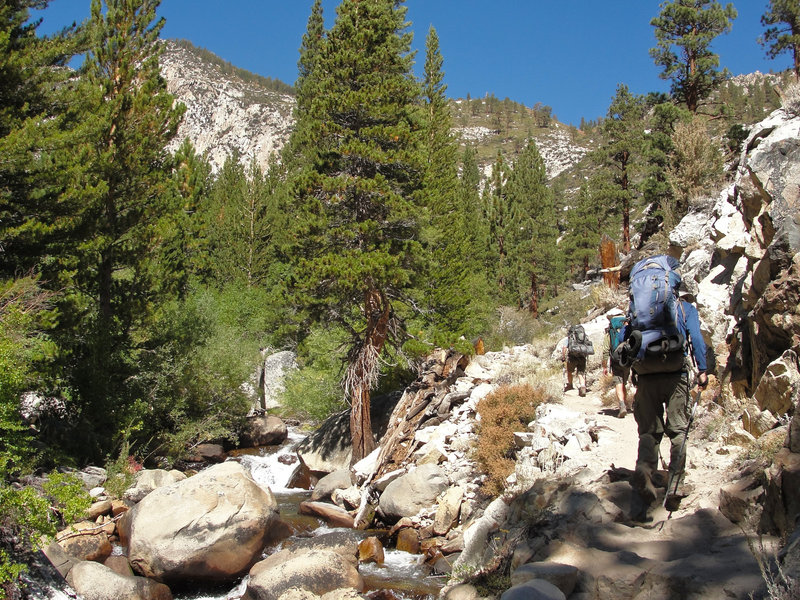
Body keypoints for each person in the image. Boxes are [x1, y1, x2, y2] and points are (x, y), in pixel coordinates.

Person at [626, 287, 708, 519]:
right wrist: (702, 369)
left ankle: (645, 472)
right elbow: (696, 338)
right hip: (675, 373)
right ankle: (675, 485)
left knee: (649, 433)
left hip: (646, 375)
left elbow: (627, 341)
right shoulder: (685, 308)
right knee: (679, 430)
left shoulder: (639, 310)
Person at [602, 314, 632, 418]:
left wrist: (605, 366)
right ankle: (626, 403)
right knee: (624, 382)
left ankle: (622, 404)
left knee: (618, 382)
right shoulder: (628, 329)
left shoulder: (610, 332)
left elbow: (606, 350)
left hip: (615, 360)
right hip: (627, 359)